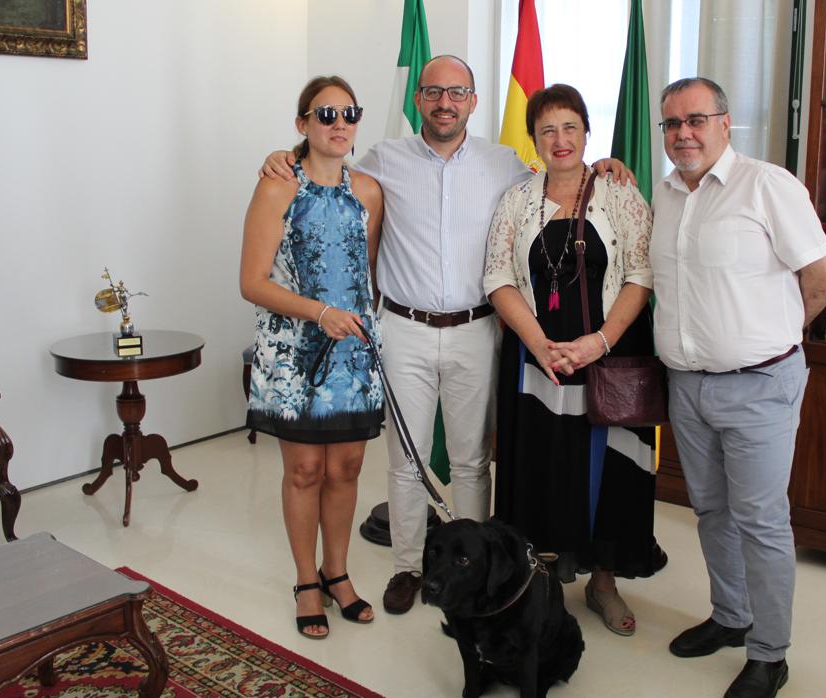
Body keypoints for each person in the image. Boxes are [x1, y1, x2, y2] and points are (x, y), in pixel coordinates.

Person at [258, 56, 633, 614]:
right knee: (406, 460)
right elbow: (324, 161)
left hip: (476, 330)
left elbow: (560, 175)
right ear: (419, 100)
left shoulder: (505, 163)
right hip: (403, 328)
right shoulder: (382, 160)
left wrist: (606, 166)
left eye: (457, 93)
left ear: (473, 103)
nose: (445, 103)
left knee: (470, 461)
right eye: (434, 92)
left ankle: (476, 572)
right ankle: (409, 568)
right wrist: (281, 156)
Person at [650, 78, 826, 698]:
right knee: (711, 512)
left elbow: (823, 274)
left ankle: (769, 653)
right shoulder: (667, 193)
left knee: (761, 521)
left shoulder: (767, 185)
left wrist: (781, 332)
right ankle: (731, 618)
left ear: (725, 123)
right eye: (672, 123)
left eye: (696, 120)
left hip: (759, 385)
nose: (683, 133)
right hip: (688, 385)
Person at [483, 84, 656, 636]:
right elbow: (496, 277)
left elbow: (641, 275)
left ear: (587, 132)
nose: (560, 140)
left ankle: (604, 581)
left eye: (570, 127)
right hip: (537, 359)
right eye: (547, 130)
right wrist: (539, 344)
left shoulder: (618, 193)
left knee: (609, 469)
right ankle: (542, 581)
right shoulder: (516, 199)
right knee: (540, 464)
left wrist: (597, 342)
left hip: (611, 354)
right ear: (533, 139)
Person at [240, 75, 383, 640]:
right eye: (325, 115)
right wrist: (319, 313)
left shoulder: (368, 190)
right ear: (302, 124)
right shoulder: (278, 185)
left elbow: (365, 276)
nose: (339, 124)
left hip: (353, 355)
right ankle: (305, 580)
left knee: (346, 468)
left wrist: (353, 324)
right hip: (293, 355)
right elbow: (251, 282)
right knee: (304, 471)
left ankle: (337, 572)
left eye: (349, 113)